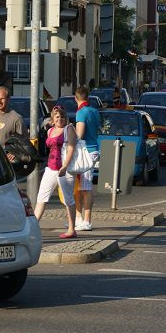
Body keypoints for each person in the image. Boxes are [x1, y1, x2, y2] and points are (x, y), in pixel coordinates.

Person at [34, 107, 77, 238]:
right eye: (57, 117)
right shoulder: (50, 130)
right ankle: (33, 227)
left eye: (62, 117)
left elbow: (71, 148)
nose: (60, 119)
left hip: (64, 169)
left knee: (68, 199)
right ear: (53, 119)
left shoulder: (68, 129)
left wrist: (65, 166)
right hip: (50, 168)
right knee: (41, 197)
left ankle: (71, 229)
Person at [73, 86, 100, 232]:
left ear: (75, 98)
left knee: (85, 187)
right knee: (79, 187)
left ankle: (87, 221)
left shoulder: (81, 113)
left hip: (86, 152)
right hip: (93, 149)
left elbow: (79, 134)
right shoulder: (94, 111)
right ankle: (78, 219)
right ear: (87, 97)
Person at [0, 86, 27, 163]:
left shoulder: (16, 118)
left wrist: (15, 152)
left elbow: (24, 141)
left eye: (2, 99)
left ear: (8, 99)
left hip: (6, 162)